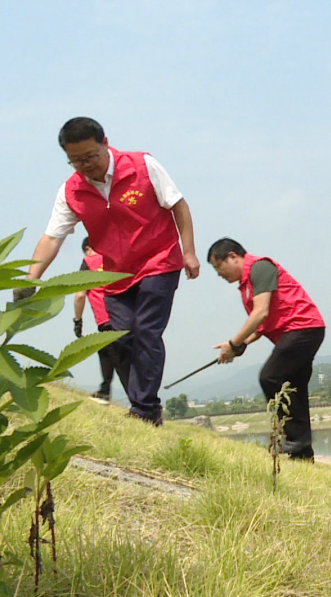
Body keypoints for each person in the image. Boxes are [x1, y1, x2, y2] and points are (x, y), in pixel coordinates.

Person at [21, 117, 199, 426]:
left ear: (105, 142)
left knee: (147, 332)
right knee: (121, 339)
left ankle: (143, 411)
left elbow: (178, 205)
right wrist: (31, 277)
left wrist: (189, 252)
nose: (85, 165)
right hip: (114, 274)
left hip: (158, 261)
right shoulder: (71, 191)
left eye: (90, 156)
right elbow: (52, 237)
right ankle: (145, 406)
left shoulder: (142, 165)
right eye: (76, 161)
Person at [208, 238, 325, 462]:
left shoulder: (259, 267)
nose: (219, 274)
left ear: (233, 256)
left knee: (270, 377)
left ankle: (293, 439)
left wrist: (234, 343)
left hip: (303, 328)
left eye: (218, 266)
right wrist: (239, 346)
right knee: (294, 389)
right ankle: (302, 454)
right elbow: (262, 326)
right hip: (300, 331)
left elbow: (260, 313)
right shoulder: (247, 283)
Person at [72, 237, 122, 402]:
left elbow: (80, 295)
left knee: (118, 358)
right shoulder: (113, 257)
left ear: (88, 248)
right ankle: (105, 390)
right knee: (106, 351)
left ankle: (138, 400)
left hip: (105, 317)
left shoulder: (88, 263)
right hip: (123, 313)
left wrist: (77, 321)